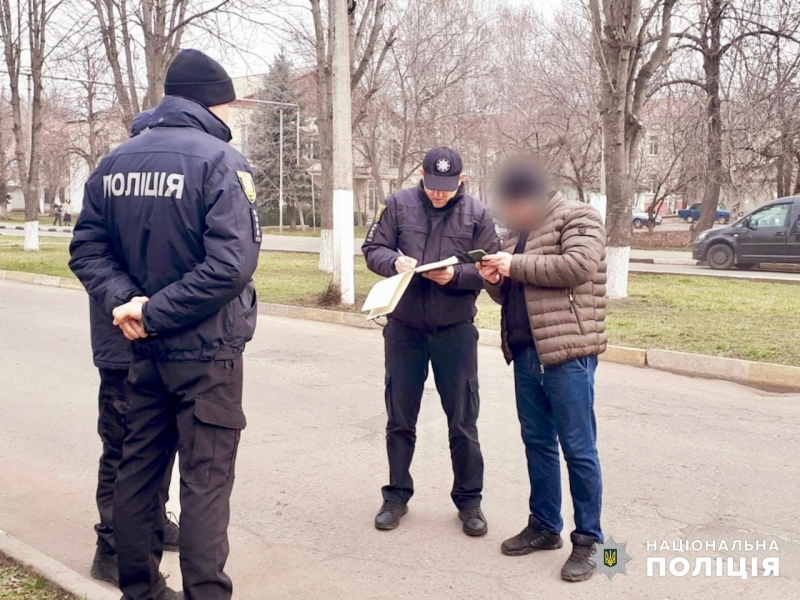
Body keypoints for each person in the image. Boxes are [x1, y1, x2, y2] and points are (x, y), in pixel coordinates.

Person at [70, 49, 261, 600]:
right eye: (227, 105)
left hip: (139, 350)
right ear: (209, 102)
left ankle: (140, 588)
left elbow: (86, 249)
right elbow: (230, 265)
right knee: (205, 482)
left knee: (139, 471)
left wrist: (130, 305)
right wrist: (149, 310)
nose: (230, 116)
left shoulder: (114, 162)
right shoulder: (223, 162)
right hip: (206, 352)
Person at [477, 157, 607, 582]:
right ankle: (545, 526)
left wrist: (512, 265)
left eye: (513, 204)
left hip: (567, 353)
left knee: (578, 449)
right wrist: (494, 278)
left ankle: (589, 542)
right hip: (525, 352)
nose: (509, 213)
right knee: (538, 443)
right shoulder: (519, 233)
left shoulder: (579, 216)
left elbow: (577, 266)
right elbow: (513, 295)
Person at [362, 147, 499, 535]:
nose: (439, 194)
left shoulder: (477, 214)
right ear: (421, 175)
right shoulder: (398, 205)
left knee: (463, 421)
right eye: (432, 185)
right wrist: (394, 263)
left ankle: (470, 502)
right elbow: (373, 249)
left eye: (447, 187)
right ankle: (396, 495)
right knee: (400, 418)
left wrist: (456, 277)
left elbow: (491, 268)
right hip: (404, 328)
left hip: (454, 330)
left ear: (461, 180)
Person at [87, 109, 179, 588]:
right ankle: (111, 547)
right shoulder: (111, 185)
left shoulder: (157, 194)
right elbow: (92, 255)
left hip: (160, 346)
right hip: (123, 346)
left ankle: (152, 524)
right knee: (124, 448)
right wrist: (129, 303)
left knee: (154, 445)